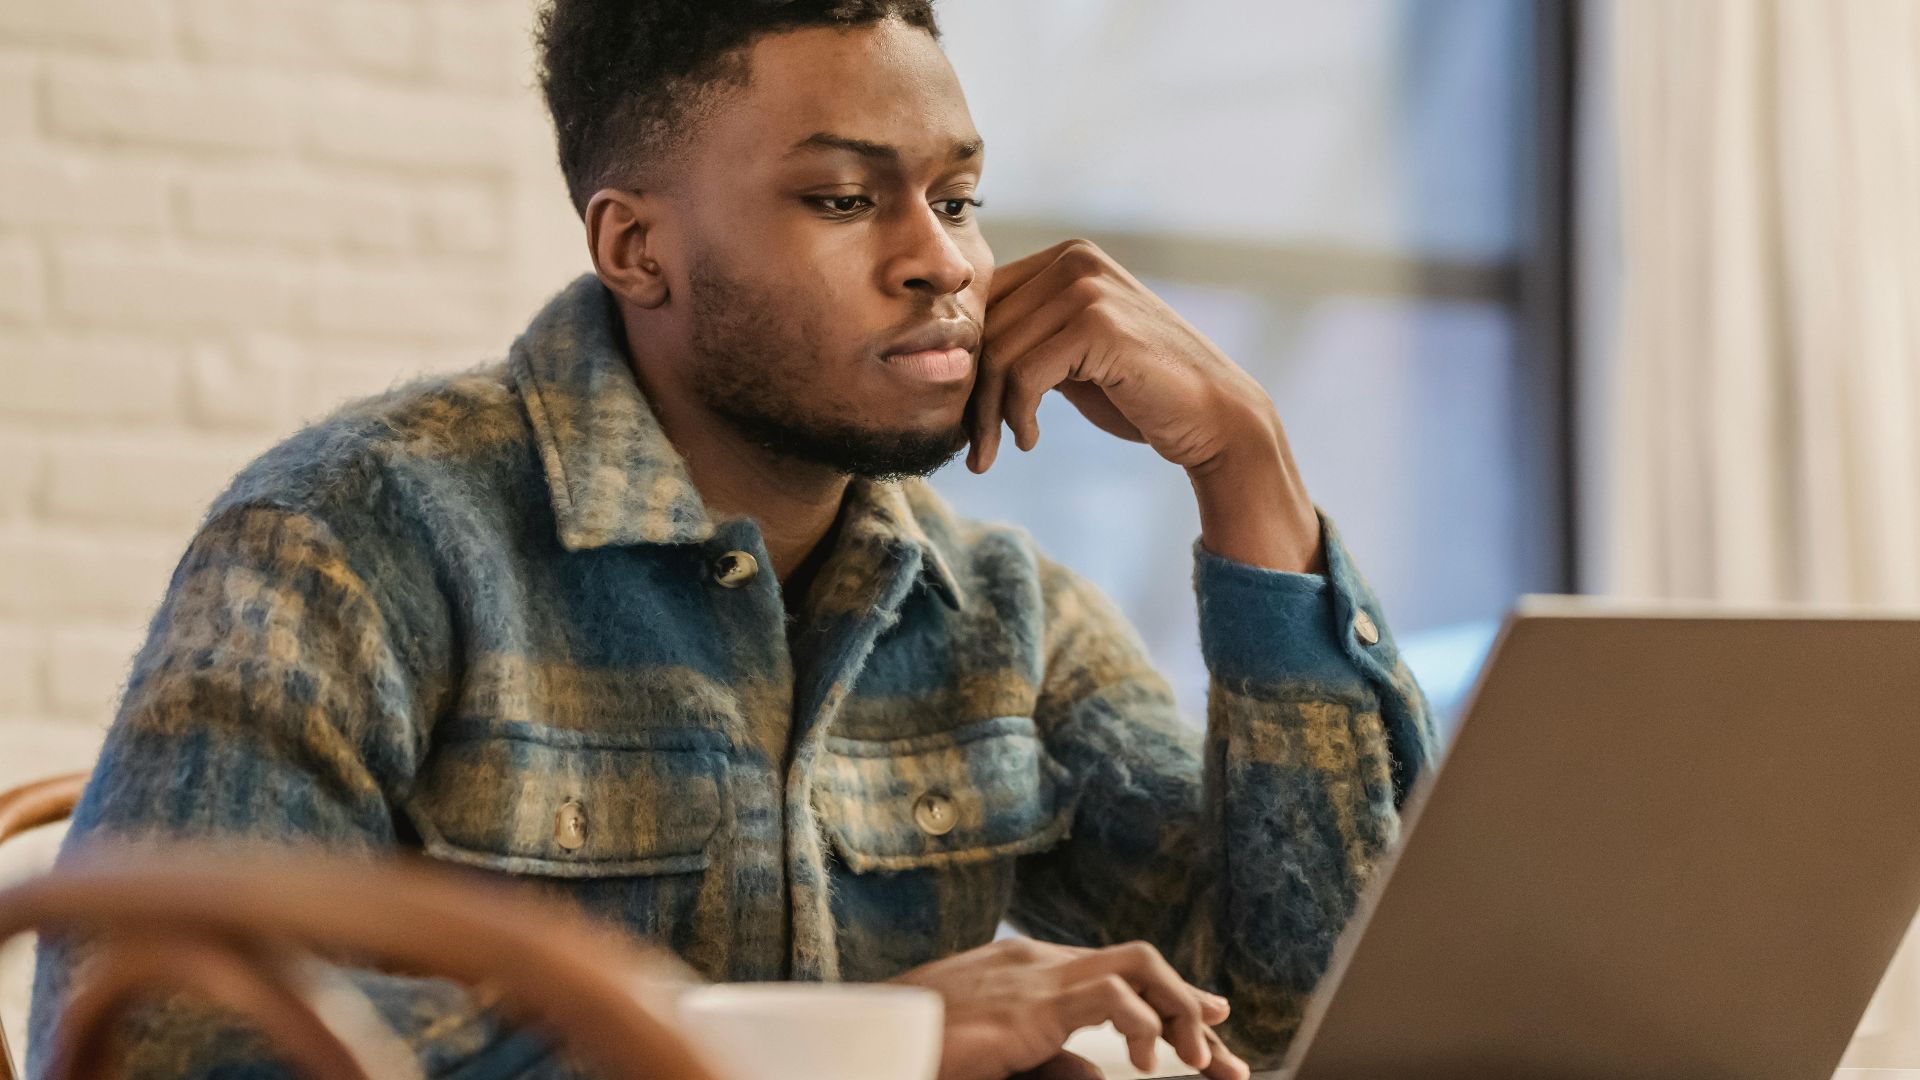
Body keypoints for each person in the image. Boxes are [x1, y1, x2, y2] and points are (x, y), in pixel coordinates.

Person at [29, 2, 1435, 1078]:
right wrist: (847, 1049)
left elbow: (1317, 1001)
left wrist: (1247, 467)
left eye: (956, 197)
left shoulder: (995, 610)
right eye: (843, 198)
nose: (942, 260)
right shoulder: (356, 537)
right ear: (637, 250)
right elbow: (154, 1033)